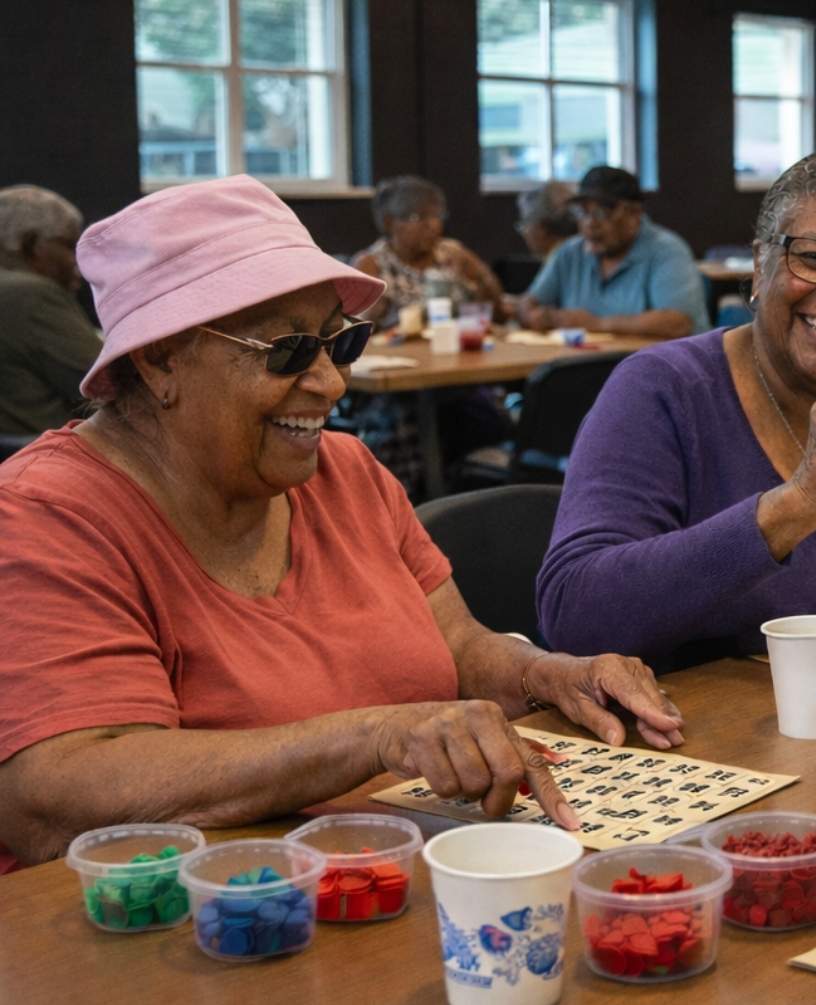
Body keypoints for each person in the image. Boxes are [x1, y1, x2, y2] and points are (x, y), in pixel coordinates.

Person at [0, 176, 684, 871]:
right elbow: (58, 789)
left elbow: (458, 647)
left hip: (383, 883)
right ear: (159, 360)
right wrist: (376, 736)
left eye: (340, 342)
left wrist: (550, 673)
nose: (331, 382)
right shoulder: (47, 515)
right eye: (290, 350)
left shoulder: (345, 470)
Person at [538, 148, 816, 671]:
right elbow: (575, 616)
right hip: (716, 743)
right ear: (759, 265)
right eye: (813, 258)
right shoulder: (664, 391)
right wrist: (797, 503)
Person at [517, 165, 710, 337]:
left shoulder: (667, 250)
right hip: (590, 366)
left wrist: (594, 323)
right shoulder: (569, 253)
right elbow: (528, 302)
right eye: (582, 212)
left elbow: (677, 323)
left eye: (602, 213)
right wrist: (533, 316)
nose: (590, 223)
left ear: (634, 214)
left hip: (662, 371)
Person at [0, 185, 98, 436]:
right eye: (69, 245)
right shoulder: (31, 295)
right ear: (30, 244)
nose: (77, 260)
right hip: (52, 459)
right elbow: (113, 384)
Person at [351, 175, 505, 328]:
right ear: (389, 222)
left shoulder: (452, 253)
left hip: (456, 347)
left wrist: (482, 280)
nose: (433, 225)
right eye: (419, 217)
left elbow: (498, 312)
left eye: (437, 215)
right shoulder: (371, 264)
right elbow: (355, 331)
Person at [517, 180, 579, 260]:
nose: (524, 234)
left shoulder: (560, 261)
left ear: (541, 228)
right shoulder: (575, 254)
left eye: (524, 225)